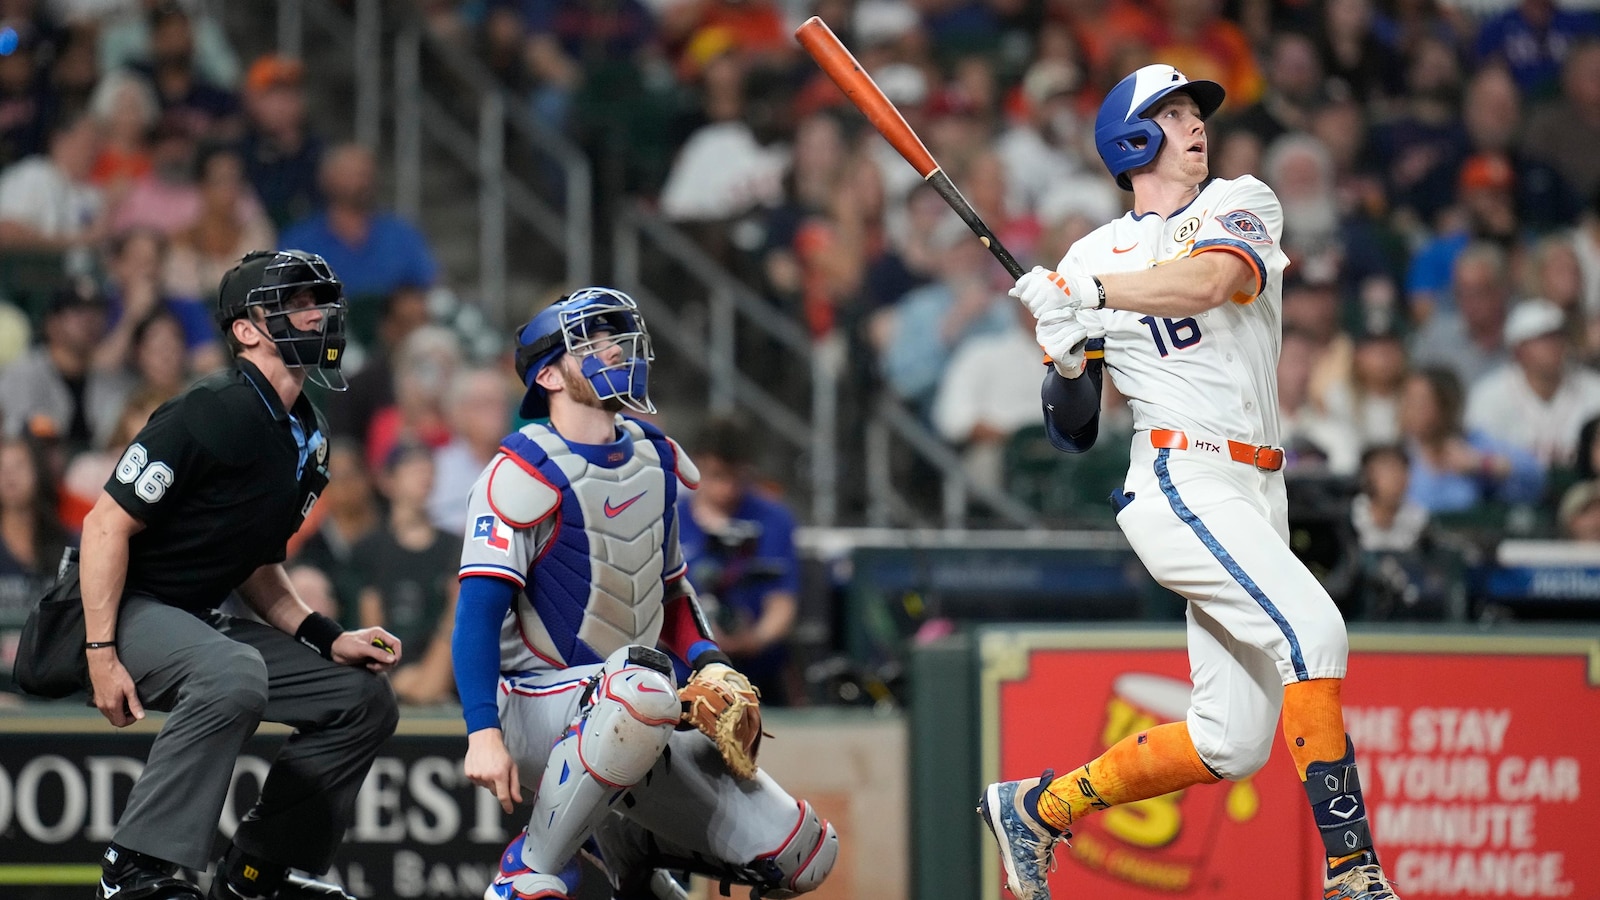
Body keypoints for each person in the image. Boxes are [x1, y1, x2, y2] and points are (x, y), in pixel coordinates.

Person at [978, 65, 1401, 900]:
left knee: (1231, 741)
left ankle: (1039, 807)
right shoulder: (1090, 253)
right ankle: (1354, 872)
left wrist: (1088, 295)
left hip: (1258, 487)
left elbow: (1216, 280)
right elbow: (1072, 429)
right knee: (1315, 632)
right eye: (1171, 114)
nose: (1194, 124)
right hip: (1179, 477)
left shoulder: (1239, 199)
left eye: (1194, 112)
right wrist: (1066, 355)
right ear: (1131, 139)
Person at [451, 287, 837, 899]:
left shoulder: (656, 456)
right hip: (531, 704)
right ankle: (528, 868)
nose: (614, 351)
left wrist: (714, 664)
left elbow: (673, 591)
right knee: (644, 689)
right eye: (593, 343)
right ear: (548, 374)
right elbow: (475, 618)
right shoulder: (518, 471)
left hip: (631, 706)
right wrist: (482, 734)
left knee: (806, 853)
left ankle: (631, 852)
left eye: (616, 338)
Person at [59, 249, 402, 900]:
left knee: (361, 698)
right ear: (247, 329)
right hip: (115, 606)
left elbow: (258, 565)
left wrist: (328, 636)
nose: (318, 314)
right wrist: (101, 651)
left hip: (197, 618)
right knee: (232, 670)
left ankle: (255, 874)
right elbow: (104, 525)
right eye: (297, 303)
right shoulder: (209, 408)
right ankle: (133, 869)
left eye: (320, 300)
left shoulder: (307, 433)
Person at [676, 416, 801, 705]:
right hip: (685, 671)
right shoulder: (671, 518)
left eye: (736, 476)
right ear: (696, 468)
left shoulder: (774, 519)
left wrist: (754, 639)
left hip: (756, 672)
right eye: (716, 475)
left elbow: (782, 602)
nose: (726, 488)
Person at [351, 442, 458, 705]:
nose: (423, 473)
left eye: (427, 467)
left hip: (446, 667)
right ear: (388, 481)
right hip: (391, 669)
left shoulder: (455, 548)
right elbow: (369, 623)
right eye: (412, 467)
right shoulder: (369, 549)